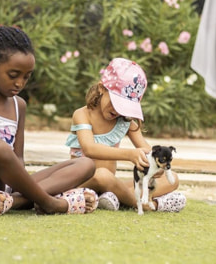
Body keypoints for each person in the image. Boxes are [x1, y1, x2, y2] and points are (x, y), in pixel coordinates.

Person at [0, 21, 99, 216]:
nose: (20, 83)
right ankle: (51, 203)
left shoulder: (19, 106)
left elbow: (19, 159)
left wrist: (10, 166)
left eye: (26, 77)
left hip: (9, 185)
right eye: (13, 75)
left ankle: (14, 201)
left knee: (86, 164)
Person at [65, 58, 186, 213]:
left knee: (172, 178)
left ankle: (115, 198)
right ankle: (149, 205)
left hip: (110, 187)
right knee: (102, 175)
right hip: (83, 183)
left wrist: (155, 164)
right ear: (102, 88)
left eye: (124, 107)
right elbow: (89, 149)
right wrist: (129, 155)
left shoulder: (124, 121)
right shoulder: (82, 115)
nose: (118, 111)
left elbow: (145, 148)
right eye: (116, 103)